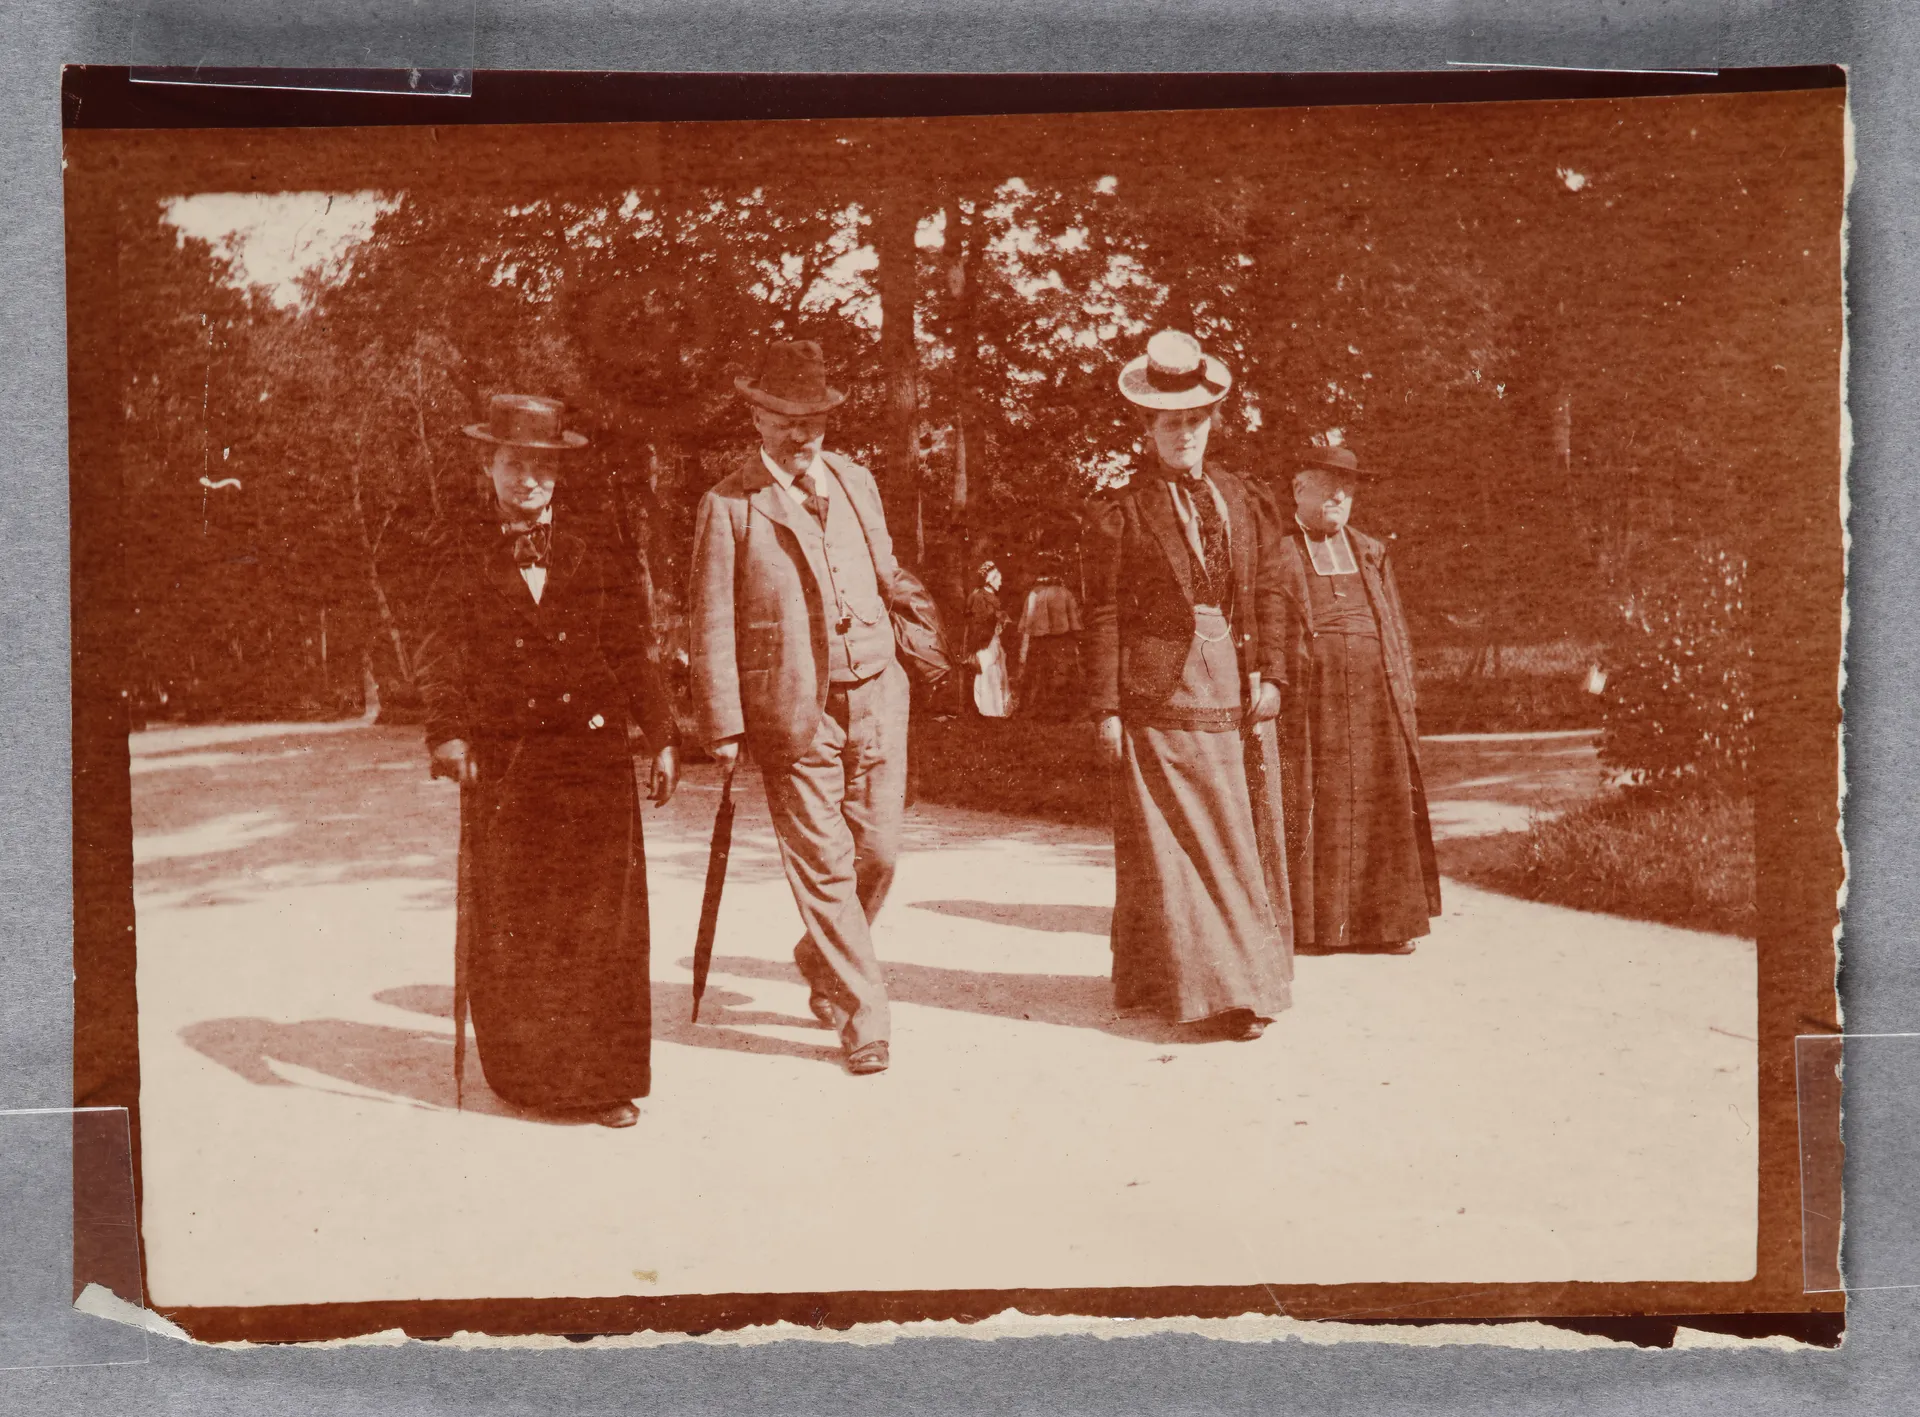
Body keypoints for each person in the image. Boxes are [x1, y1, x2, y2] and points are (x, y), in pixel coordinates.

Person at [416, 393, 680, 1129]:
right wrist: (447, 732)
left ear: (558, 473)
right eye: (512, 464)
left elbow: (633, 645)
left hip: (593, 757)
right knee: (519, 917)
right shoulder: (458, 546)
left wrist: (661, 733)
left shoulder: (599, 542)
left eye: (540, 467)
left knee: (602, 921)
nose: (527, 480)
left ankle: (603, 1079)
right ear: (488, 465)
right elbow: (441, 650)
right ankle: (527, 1072)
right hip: (508, 762)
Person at [688, 339, 911, 1077]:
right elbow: (711, 617)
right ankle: (864, 1016)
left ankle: (822, 956)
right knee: (824, 864)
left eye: (814, 415)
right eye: (786, 415)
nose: (803, 430)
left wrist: (917, 639)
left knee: (877, 851)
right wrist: (722, 721)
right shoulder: (728, 504)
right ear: (756, 415)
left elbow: (886, 573)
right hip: (791, 707)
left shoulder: (855, 481)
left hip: (878, 691)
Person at [1086, 330, 1294, 1040]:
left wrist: (1272, 670)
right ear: (1147, 429)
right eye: (1169, 423)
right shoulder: (1124, 510)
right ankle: (1219, 991)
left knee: (1235, 833)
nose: (1184, 434)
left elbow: (1267, 588)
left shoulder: (1245, 498)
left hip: (1232, 685)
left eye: (1195, 420)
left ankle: (1243, 975)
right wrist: (1108, 707)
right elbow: (1105, 611)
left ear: (1213, 422)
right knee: (1173, 844)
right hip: (1156, 695)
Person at [1268, 443, 1441, 955]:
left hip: (1374, 699)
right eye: (1327, 486)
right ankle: (1319, 929)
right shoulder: (1279, 551)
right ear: (1299, 489)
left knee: (1383, 801)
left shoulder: (1369, 550)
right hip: (1311, 701)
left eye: (1348, 488)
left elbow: (1395, 625)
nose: (1340, 496)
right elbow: (1271, 625)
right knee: (1317, 801)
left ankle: (1387, 924)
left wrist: (1404, 689)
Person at [1016, 556, 1083, 722]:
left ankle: (1035, 710)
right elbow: (1075, 623)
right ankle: (1061, 712)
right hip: (1061, 641)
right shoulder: (1065, 593)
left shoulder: (1034, 594)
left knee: (1038, 675)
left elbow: (1025, 626)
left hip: (1039, 642)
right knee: (1060, 674)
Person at [963, 561, 1009, 719]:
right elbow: (978, 622)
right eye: (998, 579)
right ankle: (988, 709)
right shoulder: (979, 596)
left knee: (995, 669)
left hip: (991, 638)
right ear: (990, 579)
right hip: (984, 640)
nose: (1001, 582)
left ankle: (996, 708)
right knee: (988, 670)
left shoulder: (991, 596)